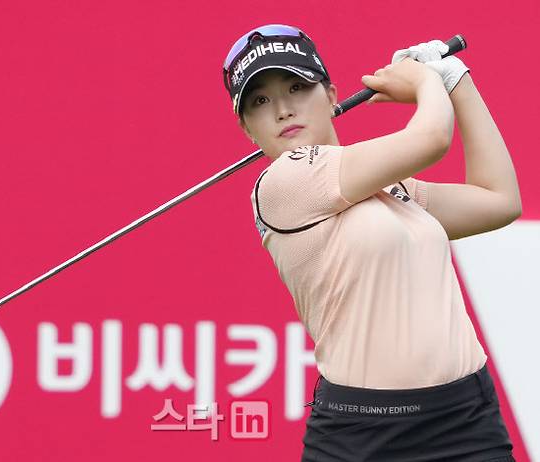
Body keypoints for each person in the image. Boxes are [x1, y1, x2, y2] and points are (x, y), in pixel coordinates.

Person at [222, 25, 522, 461]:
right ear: (247, 127)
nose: (283, 110)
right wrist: (425, 81)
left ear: (331, 96)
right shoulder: (282, 183)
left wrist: (458, 81)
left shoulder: (389, 188)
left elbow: (499, 200)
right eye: (260, 101)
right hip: (364, 434)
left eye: (296, 87)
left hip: (467, 420)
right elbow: (432, 139)